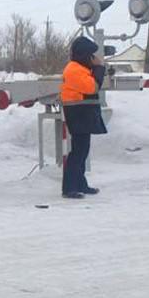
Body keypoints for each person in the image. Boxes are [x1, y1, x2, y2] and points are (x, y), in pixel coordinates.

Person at [60, 37, 107, 199]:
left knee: (83, 150)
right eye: (91, 55)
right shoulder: (73, 69)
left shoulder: (80, 68)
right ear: (84, 54)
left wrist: (96, 69)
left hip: (82, 111)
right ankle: (69, 187)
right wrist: (100, 68)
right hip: (77, 112)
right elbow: (92, 87)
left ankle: (80, 184)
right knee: (78, 152)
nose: (94, 58)